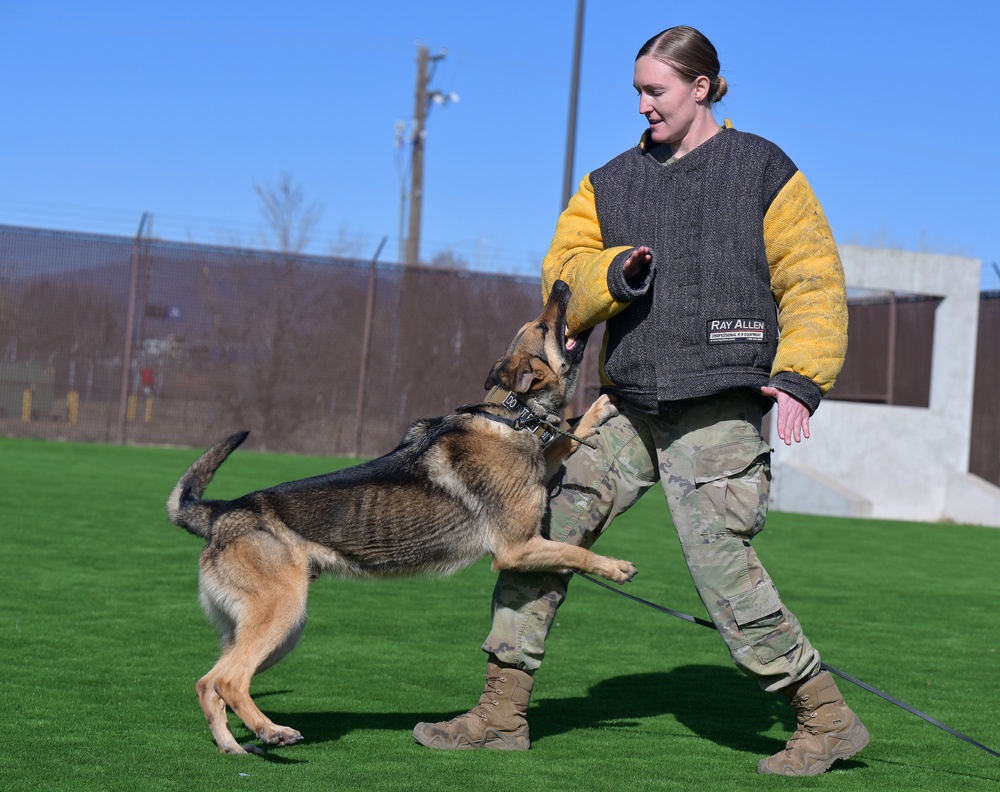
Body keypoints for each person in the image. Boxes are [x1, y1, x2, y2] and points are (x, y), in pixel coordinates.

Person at [413, 25, 868, 776]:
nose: (643, 106)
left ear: (701, 86)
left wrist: (799, 381)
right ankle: (499, 714)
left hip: (719, 404)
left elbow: (813, 279)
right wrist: (613, 272)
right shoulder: (609, 183)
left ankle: (824, 718)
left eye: (655, 90)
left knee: (719, 561)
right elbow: (563, 274)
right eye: (637, 92)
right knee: (538, 534)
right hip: (626, 407)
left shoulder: (762, 169)